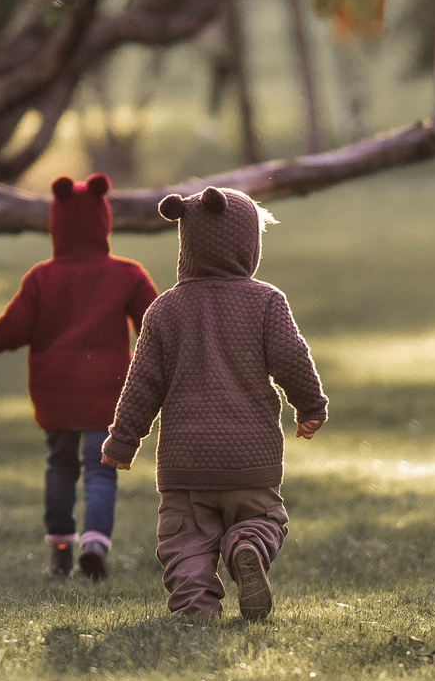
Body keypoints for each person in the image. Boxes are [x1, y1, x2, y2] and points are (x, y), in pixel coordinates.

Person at [101, 186, 325, 621]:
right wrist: (310, 406)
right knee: (264, 518)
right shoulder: (266, 301)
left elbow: (143, 381)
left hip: (186, 464)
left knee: (184, 542)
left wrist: (122, 441)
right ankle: (248, 545)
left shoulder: (164, 310)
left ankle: (195, 607)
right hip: (251, 457)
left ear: (187, 243)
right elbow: (291, 357)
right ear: (248, 246)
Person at [0, 174, 159, 579]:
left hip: (56, 397)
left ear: (57, 225)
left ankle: (61, 551)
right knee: (102, 470)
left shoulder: (41, 279)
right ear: (103, 222)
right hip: (108, 395)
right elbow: (157, 327)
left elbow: (11, 328)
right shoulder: (127, 274)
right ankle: (95, 543)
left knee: (61, 467)